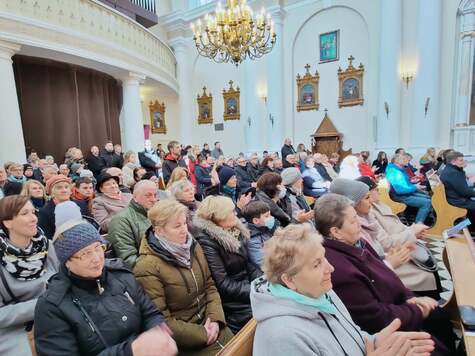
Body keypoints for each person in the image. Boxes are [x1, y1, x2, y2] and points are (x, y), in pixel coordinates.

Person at [251, 223, 436, 356]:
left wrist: (375, 341)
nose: (330, 268)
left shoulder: (322, 294)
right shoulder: (282, 337)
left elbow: (350, 337)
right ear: (289, 280)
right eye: (316, 265)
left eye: (324, 258)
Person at [313, 193, 455, 354]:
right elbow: (376, 318)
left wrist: (411, 297)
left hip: (397, 307)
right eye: (353, 221)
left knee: (439, 315)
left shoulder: (359, 243)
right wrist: (417, 309)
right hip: (386, 329)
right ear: (336, 232)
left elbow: (388, 276)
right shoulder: (338, 268)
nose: (359, 223)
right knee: (436, 339)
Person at [34, 221, 177, 356]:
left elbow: (149, 312)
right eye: (85, 253)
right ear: (67, 262)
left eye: (98, 248)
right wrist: (130, 351)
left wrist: (157, 330)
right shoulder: (53, 306)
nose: (96, 258)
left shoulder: (120, 275)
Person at [134, 199, 234, 355]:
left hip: (214, 326)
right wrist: (203, 334)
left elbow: (209, 285)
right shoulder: (147, 266)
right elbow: (160, 319)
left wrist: (215, 320)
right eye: (177, 226)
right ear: (159, 231)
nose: (184, 230)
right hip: (187, 342)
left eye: (184, 223)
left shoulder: (193, 245)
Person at [330, 178, 439, 297]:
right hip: (383, 269)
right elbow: (373, 257)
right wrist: (391, 261)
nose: (372, 200)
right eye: (368, 196)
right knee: (427, 276)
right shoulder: (355, 226)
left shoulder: (367, 215)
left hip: (386, 262)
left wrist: (412, 233)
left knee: (429, 269)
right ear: (354, 203)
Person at [0, 195, 59, 356]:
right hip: (17, 329)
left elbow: (63, 280)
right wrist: (42, 304)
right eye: (25, 213)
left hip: (57, 316)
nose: (34, 218)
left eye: (34, 212)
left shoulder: (47, 246)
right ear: (8, 222)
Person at [194, 196, 262, 333]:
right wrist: (255, 290)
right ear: (219, 217)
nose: (236, 214)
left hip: (247, 289)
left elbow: (247, 264)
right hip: (234, 303)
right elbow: (223, 284)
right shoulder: (207, 242)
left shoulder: (234, 231)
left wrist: (262, 280)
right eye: (231, 212)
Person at [108, 180, 158, 269]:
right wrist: (160, 266)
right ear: (135, 197)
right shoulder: (121, 220)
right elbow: (128, 259)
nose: (154, 199)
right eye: (148, 195)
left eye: (155, 195)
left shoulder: (158, 213)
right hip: (147, 272)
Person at [386, 154, 432, 223]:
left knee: (428, 198)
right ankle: (417, 227)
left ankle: (415, 217)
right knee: (427, 202)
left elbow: (404, 184)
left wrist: (412, 183)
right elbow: (400, 190)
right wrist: (415, 187)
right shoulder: (394, 172)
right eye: (403, 159)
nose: (406, 160)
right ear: (397, 161)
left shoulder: (399, 169)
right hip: (400, 196)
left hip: (404, 193)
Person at [38, 175, 88, 239]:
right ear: (52, 193)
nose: (64, 190)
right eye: (59, 188)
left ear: (70, 191)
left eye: (66, 187)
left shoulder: (81, 204)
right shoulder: (44, 212)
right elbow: (47, 237)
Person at [440, 151, 475, 222]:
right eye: (461, 160)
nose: (463, 162)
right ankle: (471, 228)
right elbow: (465, 192)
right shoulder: (454, 173)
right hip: (458, 201)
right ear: (453, 162)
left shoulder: (450, 169)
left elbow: (463, 189)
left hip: (454, 198)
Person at [241, 200, 276, 267]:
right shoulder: (252, 239)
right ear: (256, 221)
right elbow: (261, 262)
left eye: (270, 214)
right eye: (267, 216)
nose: (271, 217)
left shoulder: (266, 228)